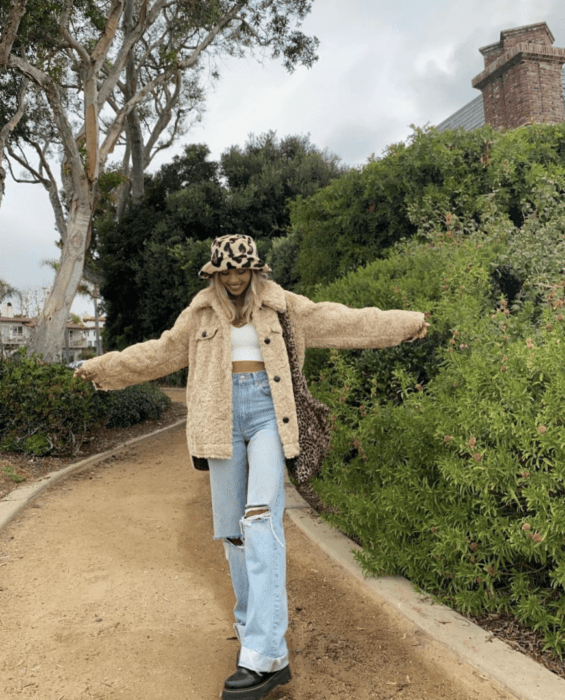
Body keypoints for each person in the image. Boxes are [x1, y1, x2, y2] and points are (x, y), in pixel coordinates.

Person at [75, 234, 429, 700]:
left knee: (260, 520)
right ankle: (253, 633)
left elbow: (342, 320)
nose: (237, 278)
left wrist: (407, 323)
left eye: (244, 270)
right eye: (228, 272)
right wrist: (100, 369)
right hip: (219, 422)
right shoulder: (200, 312)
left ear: (257, 270)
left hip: (268, 415)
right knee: (234, 533)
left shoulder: (283, 305)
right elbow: (159, 353)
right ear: (215, 274)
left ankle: (263, 655)